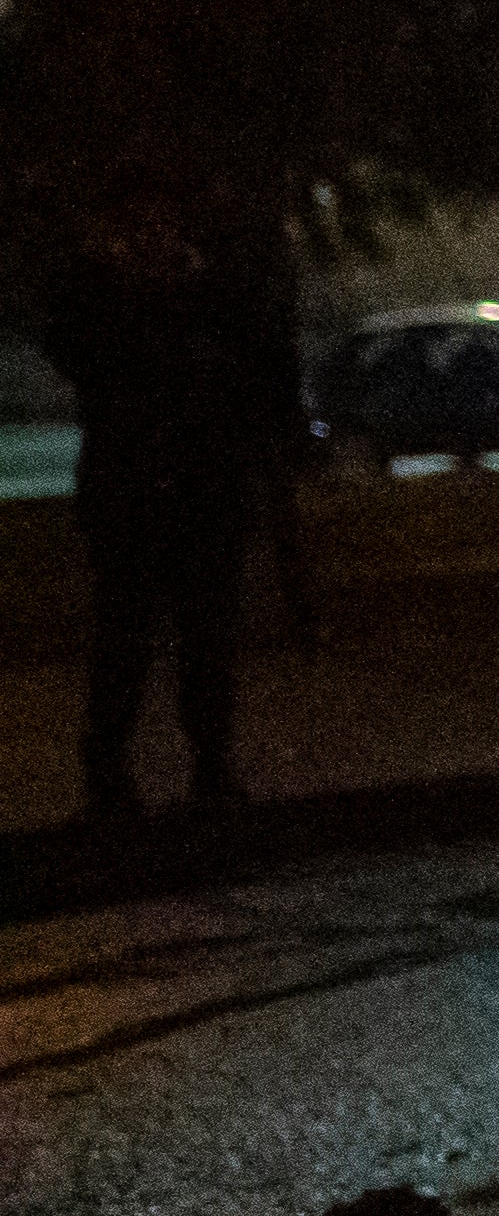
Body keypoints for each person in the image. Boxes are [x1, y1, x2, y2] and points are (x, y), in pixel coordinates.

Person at [46, 187, 290, 823]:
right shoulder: (106, 297)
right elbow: (78, 350)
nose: (149, 236)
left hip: (196, 492)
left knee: (201, 640)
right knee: (128, 639)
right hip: (138, 493)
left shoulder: (216, 297)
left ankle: (205, 768)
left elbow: (254, 376)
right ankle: (113, 777)